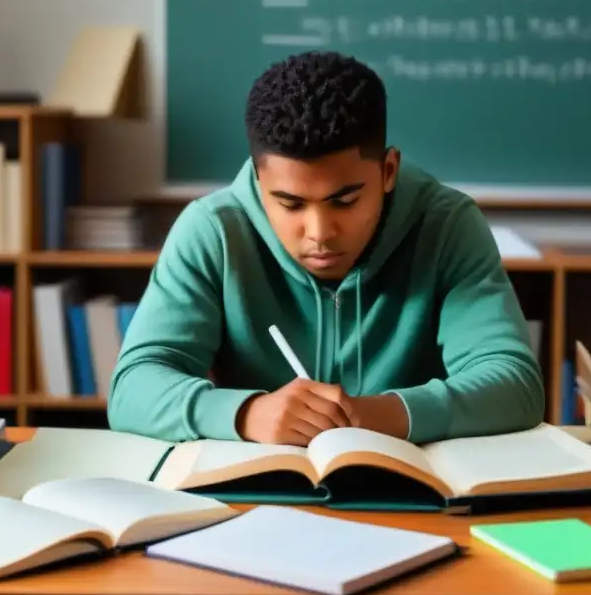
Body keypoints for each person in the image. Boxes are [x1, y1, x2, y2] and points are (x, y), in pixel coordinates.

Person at [107, 51, 544, 446]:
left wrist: (383, 414)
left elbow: (515, 385)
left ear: (388, 171)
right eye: (290, 204)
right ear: (259, 183)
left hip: (415, 497)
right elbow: (132, 388)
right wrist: (246, 414)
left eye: (345, 200)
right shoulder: (212, 231)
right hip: (255, 503)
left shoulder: (447, 225)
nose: (319, 232)